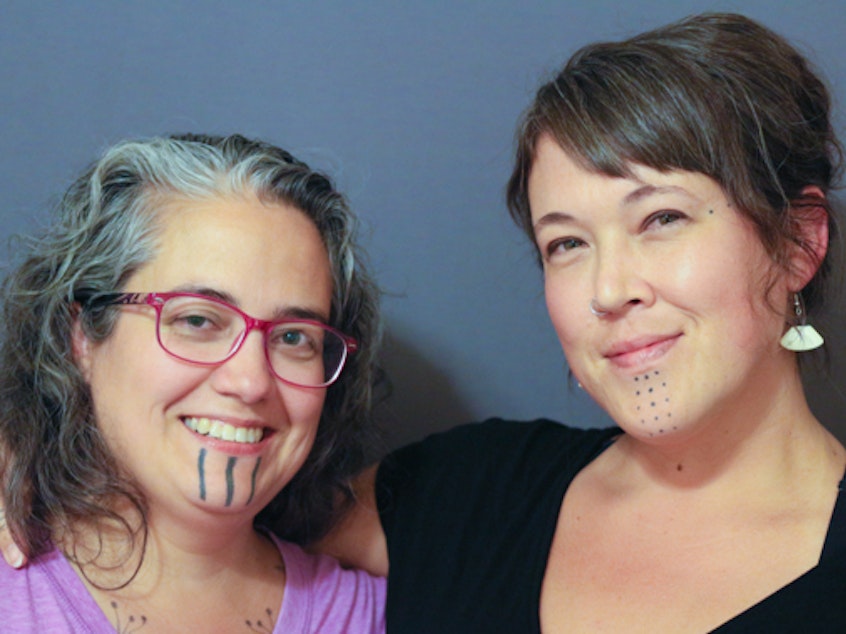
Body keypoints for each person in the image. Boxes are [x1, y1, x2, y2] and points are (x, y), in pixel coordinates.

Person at [315, 12, 846, 633]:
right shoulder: (464, 493)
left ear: (797, 243)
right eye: (567, 244)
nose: (609, 291)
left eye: (662, 219)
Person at [0, 133, 385, 632]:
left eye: (294, 337)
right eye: (198, 321)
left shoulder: (372, 616)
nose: (250, 381)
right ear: (83, 338)